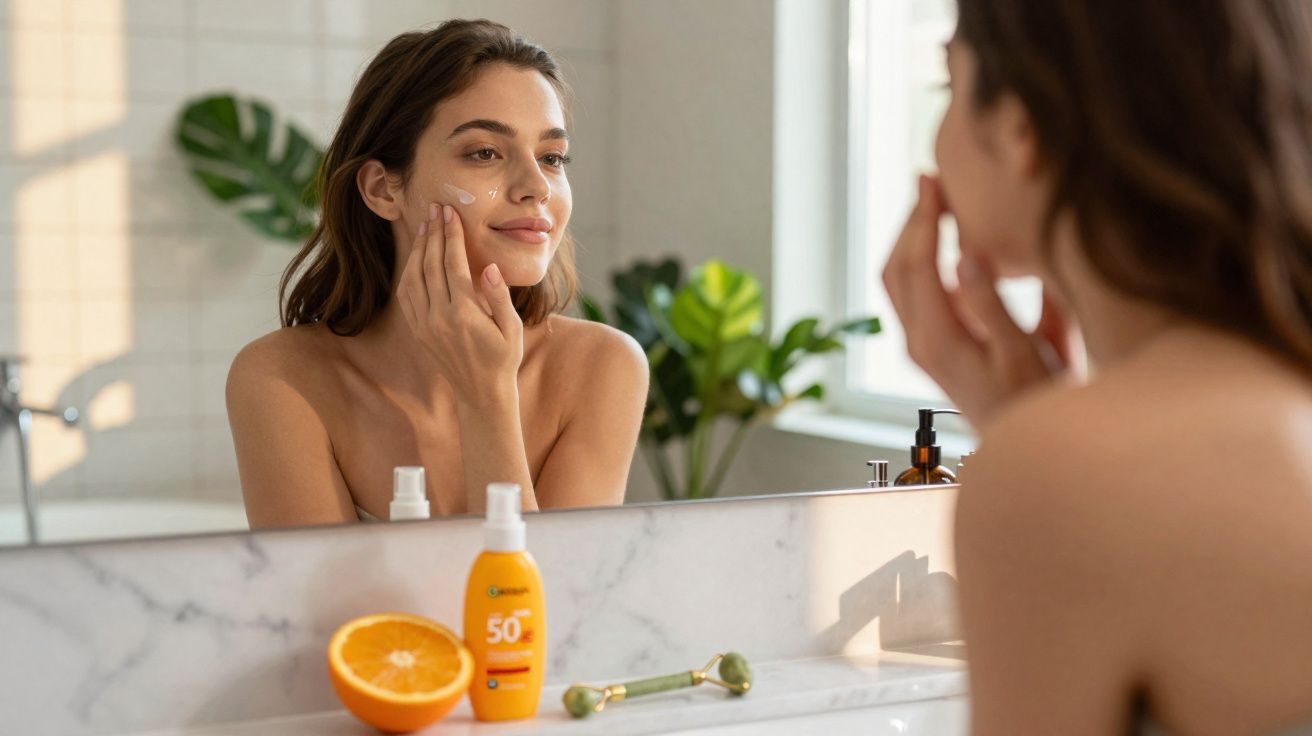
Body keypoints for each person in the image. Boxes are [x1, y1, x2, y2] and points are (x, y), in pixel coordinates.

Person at [882, 1, 1312, 732]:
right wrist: (1021, 419)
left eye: (949, 87)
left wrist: (1035, 444)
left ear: (1021, 128)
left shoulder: (1066, 472)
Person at [227, 20, 648, 527]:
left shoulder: (602, 367)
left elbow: (555, 602)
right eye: (485, 153)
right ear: (383, 189)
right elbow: (319, 605)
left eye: (551, 157)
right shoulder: (282, 380)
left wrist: (487, 398)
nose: (536, 186)